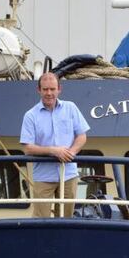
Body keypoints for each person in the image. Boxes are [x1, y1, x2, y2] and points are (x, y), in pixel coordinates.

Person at [20, 72, 90, 218]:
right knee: (40, 220)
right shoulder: (30, 115)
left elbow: (82, 136)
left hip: (69, 174)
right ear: (38, 90)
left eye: (52, 89)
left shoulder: (71, 108)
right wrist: (53, 151)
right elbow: (27, 148)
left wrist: (71, 152)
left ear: (59, 89)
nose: (49, 93)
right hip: (44, 176)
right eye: (45, 89)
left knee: (66, 219)